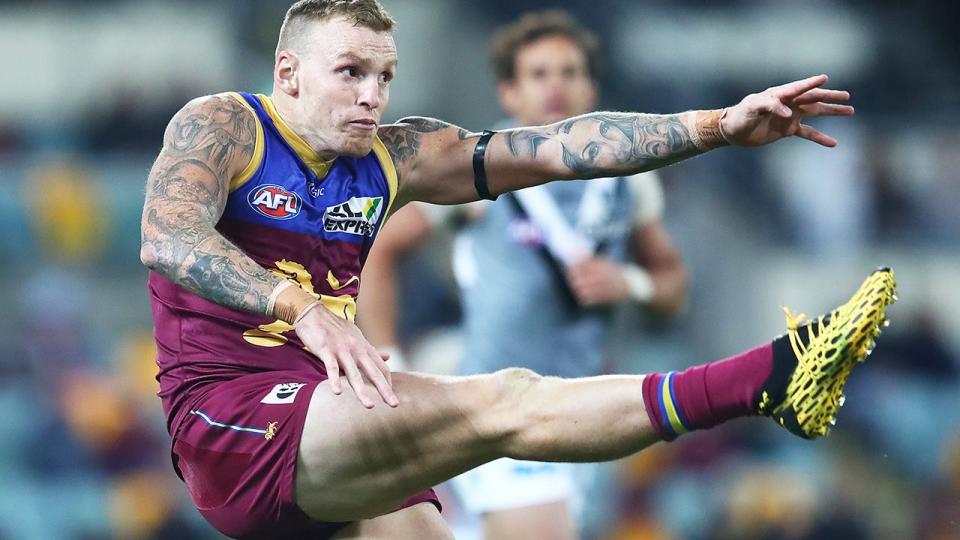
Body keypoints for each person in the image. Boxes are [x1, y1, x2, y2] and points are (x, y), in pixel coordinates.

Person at [138, 1, 896, 538]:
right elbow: (168, 237)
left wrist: (714, 127)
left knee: (495, 425)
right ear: (290, 71)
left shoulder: (396, 155)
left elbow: (557, 148)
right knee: (505, 398)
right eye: (350, 72)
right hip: (229, 422)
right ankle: (766, 379)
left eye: (385, 75)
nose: (373, 95)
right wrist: (298, 307)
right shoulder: (227, 124)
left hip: (334, 416)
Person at [356, 11, 688, 540]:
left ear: (591, 86)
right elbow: (377, 250)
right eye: (539, 74)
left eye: (569, 71)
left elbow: (673, 288)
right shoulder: (479, 168)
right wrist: (391, 355)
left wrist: (631, 284)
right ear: (509, 93)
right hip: (498, 404)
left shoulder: (628, 181)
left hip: (585, 409)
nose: (556, 85)